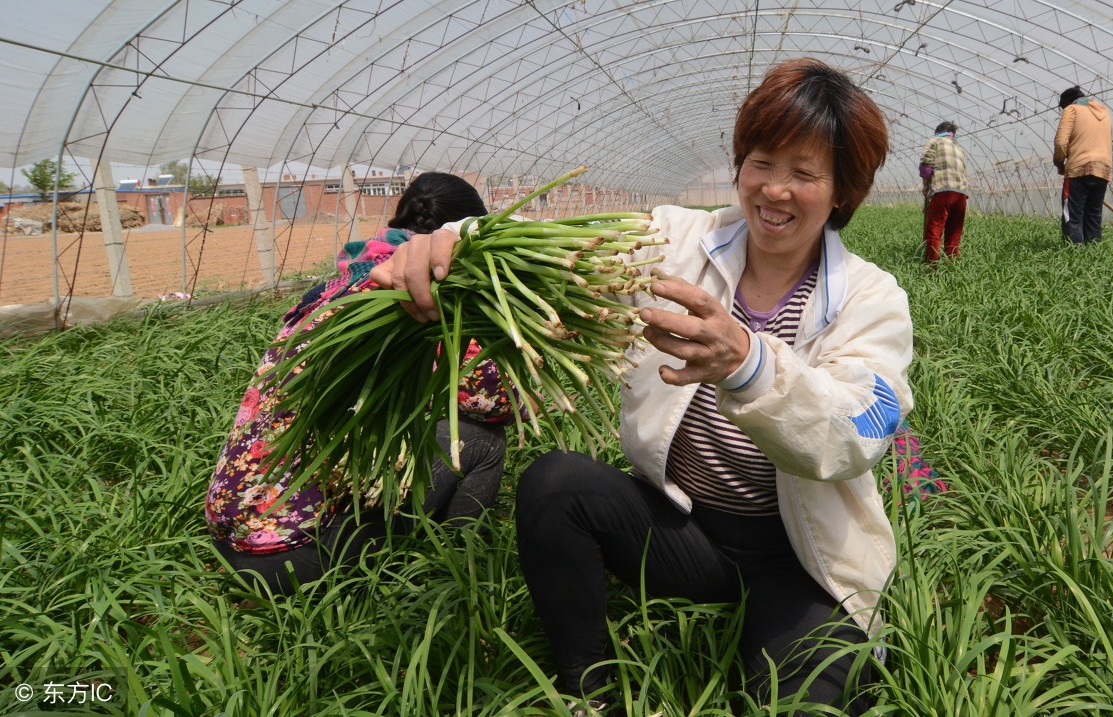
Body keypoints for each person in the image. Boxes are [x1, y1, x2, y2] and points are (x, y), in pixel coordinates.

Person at [376, 58, 913, 716]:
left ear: (842, 192)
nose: (775, 190)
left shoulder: (870, 299)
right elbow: (549, 245)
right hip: (685, 526)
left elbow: (857, 430)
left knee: (803, 702)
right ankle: (590, 692)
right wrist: (454, 241)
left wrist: (747, 361)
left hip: (798, 555)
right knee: (555, 484)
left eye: (804, 173)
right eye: (761, 162)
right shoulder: (679, 239)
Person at [205, 172, 511, 597]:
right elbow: (497, 401)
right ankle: (454, 573)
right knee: (484, 436)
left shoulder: (342, 281)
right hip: (292, 557)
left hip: (230, 532)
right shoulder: (417, 291)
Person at [1053, 86, 1113, 244]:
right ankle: (1093, 253)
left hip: (1078, 169)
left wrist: (1059, 162)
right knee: (1093, 214)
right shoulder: (1104, 113)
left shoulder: (1072, 109)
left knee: (1072, 215)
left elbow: (1061, 142)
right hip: (1103, 169)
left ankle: (1074, 254)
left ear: (1067, 102)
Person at [918, 120, 968, 263]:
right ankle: (951, 265)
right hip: (961, 194)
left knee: (934, 231)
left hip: (942, 191)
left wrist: (926, 184)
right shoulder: (958, 147)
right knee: (954, 232)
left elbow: (925, 163)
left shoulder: (935, 141)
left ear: (938, 131)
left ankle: (931, 266)